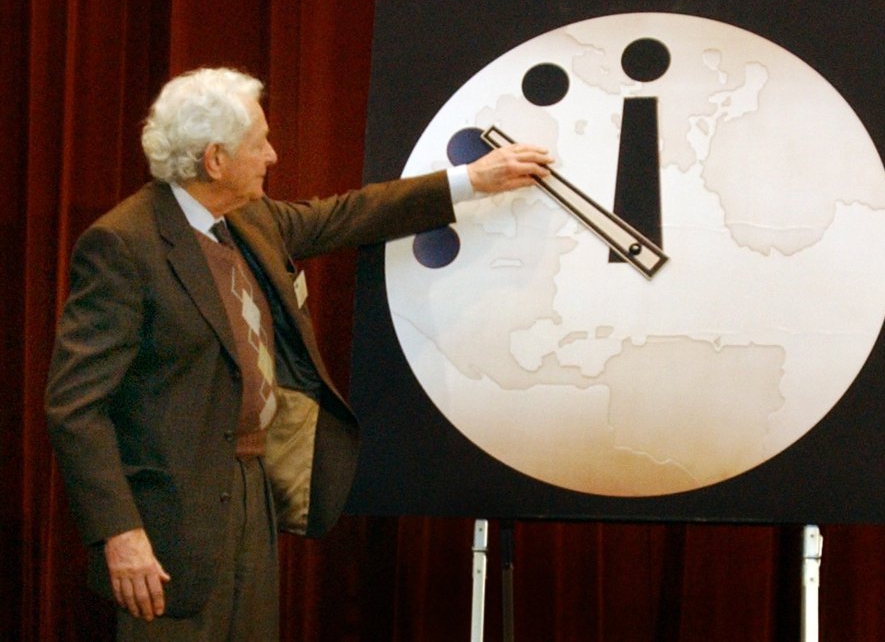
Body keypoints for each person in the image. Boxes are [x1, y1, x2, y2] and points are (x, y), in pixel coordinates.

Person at [45, 67, 551, 640]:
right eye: (258, 142)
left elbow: (345, 215)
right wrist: (119, 532)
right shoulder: (123, 245)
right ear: (214, 160)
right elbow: (75, 408)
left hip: (250, 492)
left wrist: (468, 182)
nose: (272, 154)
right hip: (166, 525)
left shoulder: (246, 220)